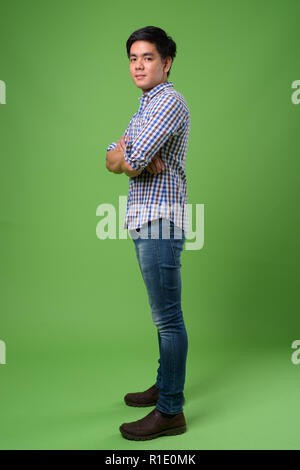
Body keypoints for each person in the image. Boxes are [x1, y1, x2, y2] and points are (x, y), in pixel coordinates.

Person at [105, 25, 191, 441]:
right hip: (144, 217)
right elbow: (112, 157)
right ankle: (166, 383)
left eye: (148, 57)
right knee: (163, 318)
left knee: (168, 319)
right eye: (133, 58)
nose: (138, 65)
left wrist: (131, 156)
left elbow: (132, 159)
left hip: (160, 218)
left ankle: (171, 409)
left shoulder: (169, 101)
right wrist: (127, 156)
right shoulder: (144, 106)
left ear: (166, 62)